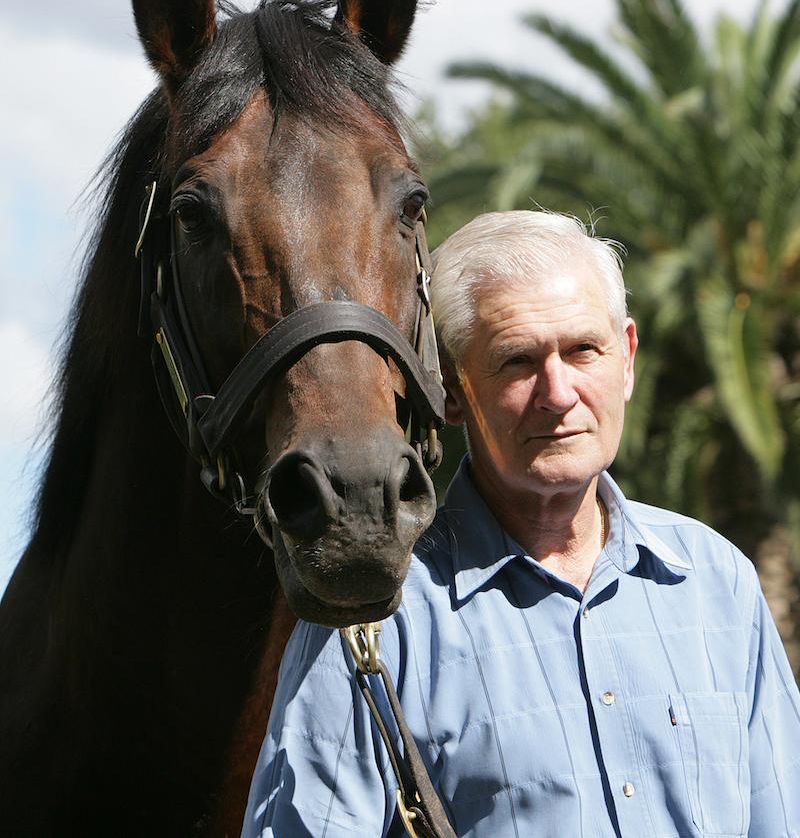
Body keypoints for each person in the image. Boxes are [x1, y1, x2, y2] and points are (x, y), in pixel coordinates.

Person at [241, 210, 800, 838]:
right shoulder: (376, 622)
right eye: (517, 361)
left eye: (585, 349)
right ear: (449, 389)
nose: (558, 392)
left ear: (628, 360)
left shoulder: (716, 583)